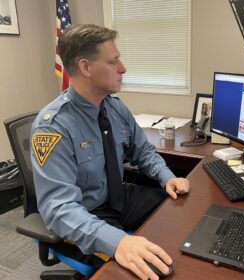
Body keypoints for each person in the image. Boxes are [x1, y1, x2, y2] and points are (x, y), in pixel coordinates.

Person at [30, 24, 190, 280]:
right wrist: (118, 242)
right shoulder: (53, 127)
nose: (123, 68)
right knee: (153, 270)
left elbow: (145, 152)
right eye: (114, 61)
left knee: (182, 217)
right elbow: (59, 209)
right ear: (85, 67)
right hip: (87, 214)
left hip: (120, 199)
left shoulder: (114, 108)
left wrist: (167, 177)